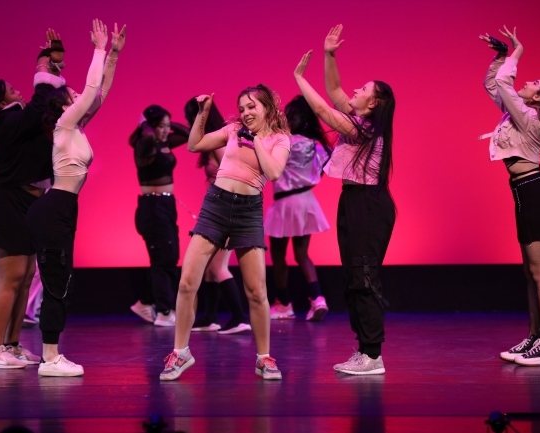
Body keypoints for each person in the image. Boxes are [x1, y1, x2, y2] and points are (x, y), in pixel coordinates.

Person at [160, 84, 291, 381]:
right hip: (216, 207)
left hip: (248, 212)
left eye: (251, 107)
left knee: (257, 292)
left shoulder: (279, 139)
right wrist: (203, 114)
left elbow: (273, 173)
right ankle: (180, 353)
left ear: (267, 107)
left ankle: (263, 358)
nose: (245, 113)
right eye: (242, 108)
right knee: (187, 282)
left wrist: (257, 140)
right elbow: (194, 145)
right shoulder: (231, 130)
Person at [0, 29, 67, 369]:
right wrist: (40, 67)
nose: (17, 89)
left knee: (25, 278)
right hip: (5, 204)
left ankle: (13, 344)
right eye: (10, 89)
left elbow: (45, 105)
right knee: (10, 278)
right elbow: (38, 106)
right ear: (1, 102)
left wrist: (53, 61)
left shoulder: (14, 118)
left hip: (28, 203)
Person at [294, 24, 396, 375]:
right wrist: (329, 54)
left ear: (374, 103)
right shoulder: (359, 119)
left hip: (368, 204)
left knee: (364, 277)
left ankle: (373, 355)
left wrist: (298, 78)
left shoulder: (368, 128)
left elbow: (323, 111)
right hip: (353, 201)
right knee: (353, 277)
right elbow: (335, 90)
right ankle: (364, 350)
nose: (355, 89)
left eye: (364, 89)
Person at [27, 19, 125, 376]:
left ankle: (51, 354)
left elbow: (101, 93)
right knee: (55, 279)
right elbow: (89, 89)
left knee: (61, 278)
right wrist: (97, 49)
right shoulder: (64, 125)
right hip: (54, 209)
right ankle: (49, 357)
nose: (79, 98)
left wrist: (113, 54)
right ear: (63, 106)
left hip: (63, 208)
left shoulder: (76, 127)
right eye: (72, 98)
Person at [479, 28, 540, 366]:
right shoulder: (520, 112)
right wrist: (501, 57)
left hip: (533, 190)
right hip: (522, 190)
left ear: (538, 100)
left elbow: (504, 85)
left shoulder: (530, 117)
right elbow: (494, 84)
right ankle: (535, 335)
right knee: (529, 272)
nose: (528, 82)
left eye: (534, 83)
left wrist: (518, 51)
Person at [183, 97, 251, 334]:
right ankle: (210, 317)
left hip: (226, 209)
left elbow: (233, 172)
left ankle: (240, 317)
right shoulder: (213, 141)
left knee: (219, 266)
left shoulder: (219, 143)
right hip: (216, 208)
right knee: (212, 267)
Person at [265, 95, 331, 322]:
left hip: (285, 202)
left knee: (279, 254)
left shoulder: (284, 142)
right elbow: (324, 168)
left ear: (300, 119)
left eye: (290, 115)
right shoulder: (317, 146)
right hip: (307, 200)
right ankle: (317, 298)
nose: (286, 119)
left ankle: (283, 303)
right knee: (302, 254)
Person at [129, 104, 190, 327]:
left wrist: (168, 123)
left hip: (166, 204)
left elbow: (188, 134)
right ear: (150, 126)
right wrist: (146, 122)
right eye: (161, 126)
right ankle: (164, 311)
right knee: (163, 259)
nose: (165, 131)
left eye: (167, 127)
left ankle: (145, 302)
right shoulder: (144, 146)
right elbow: (145, 136)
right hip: (152, 206)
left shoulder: (163, 143)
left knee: (169, 257)